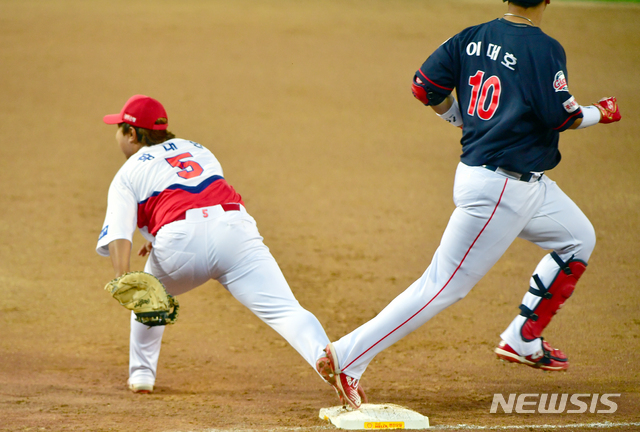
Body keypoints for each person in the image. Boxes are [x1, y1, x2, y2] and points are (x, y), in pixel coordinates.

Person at [315, 0, 621, 410]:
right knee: (441, 285)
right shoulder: (544, 48)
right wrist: (600, 112)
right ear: (548, 0)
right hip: (499, 191)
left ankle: (522, 338)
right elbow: (561, 116)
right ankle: (348, 355)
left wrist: (457, 117)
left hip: (522, 185)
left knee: (578, 238)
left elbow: (425, 88)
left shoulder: (471, 37)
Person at [96, 94, 341, 396]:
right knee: (285, 310)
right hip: (234, 233)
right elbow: (197, 197)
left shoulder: (127, 172)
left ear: (131, 134)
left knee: (148, 298)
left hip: (180, 247)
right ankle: (324, 355)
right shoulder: (199, 149)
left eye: (119, 129)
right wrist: (157, 236)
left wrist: (125, 278)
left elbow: (120, 233)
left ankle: (142, 376)